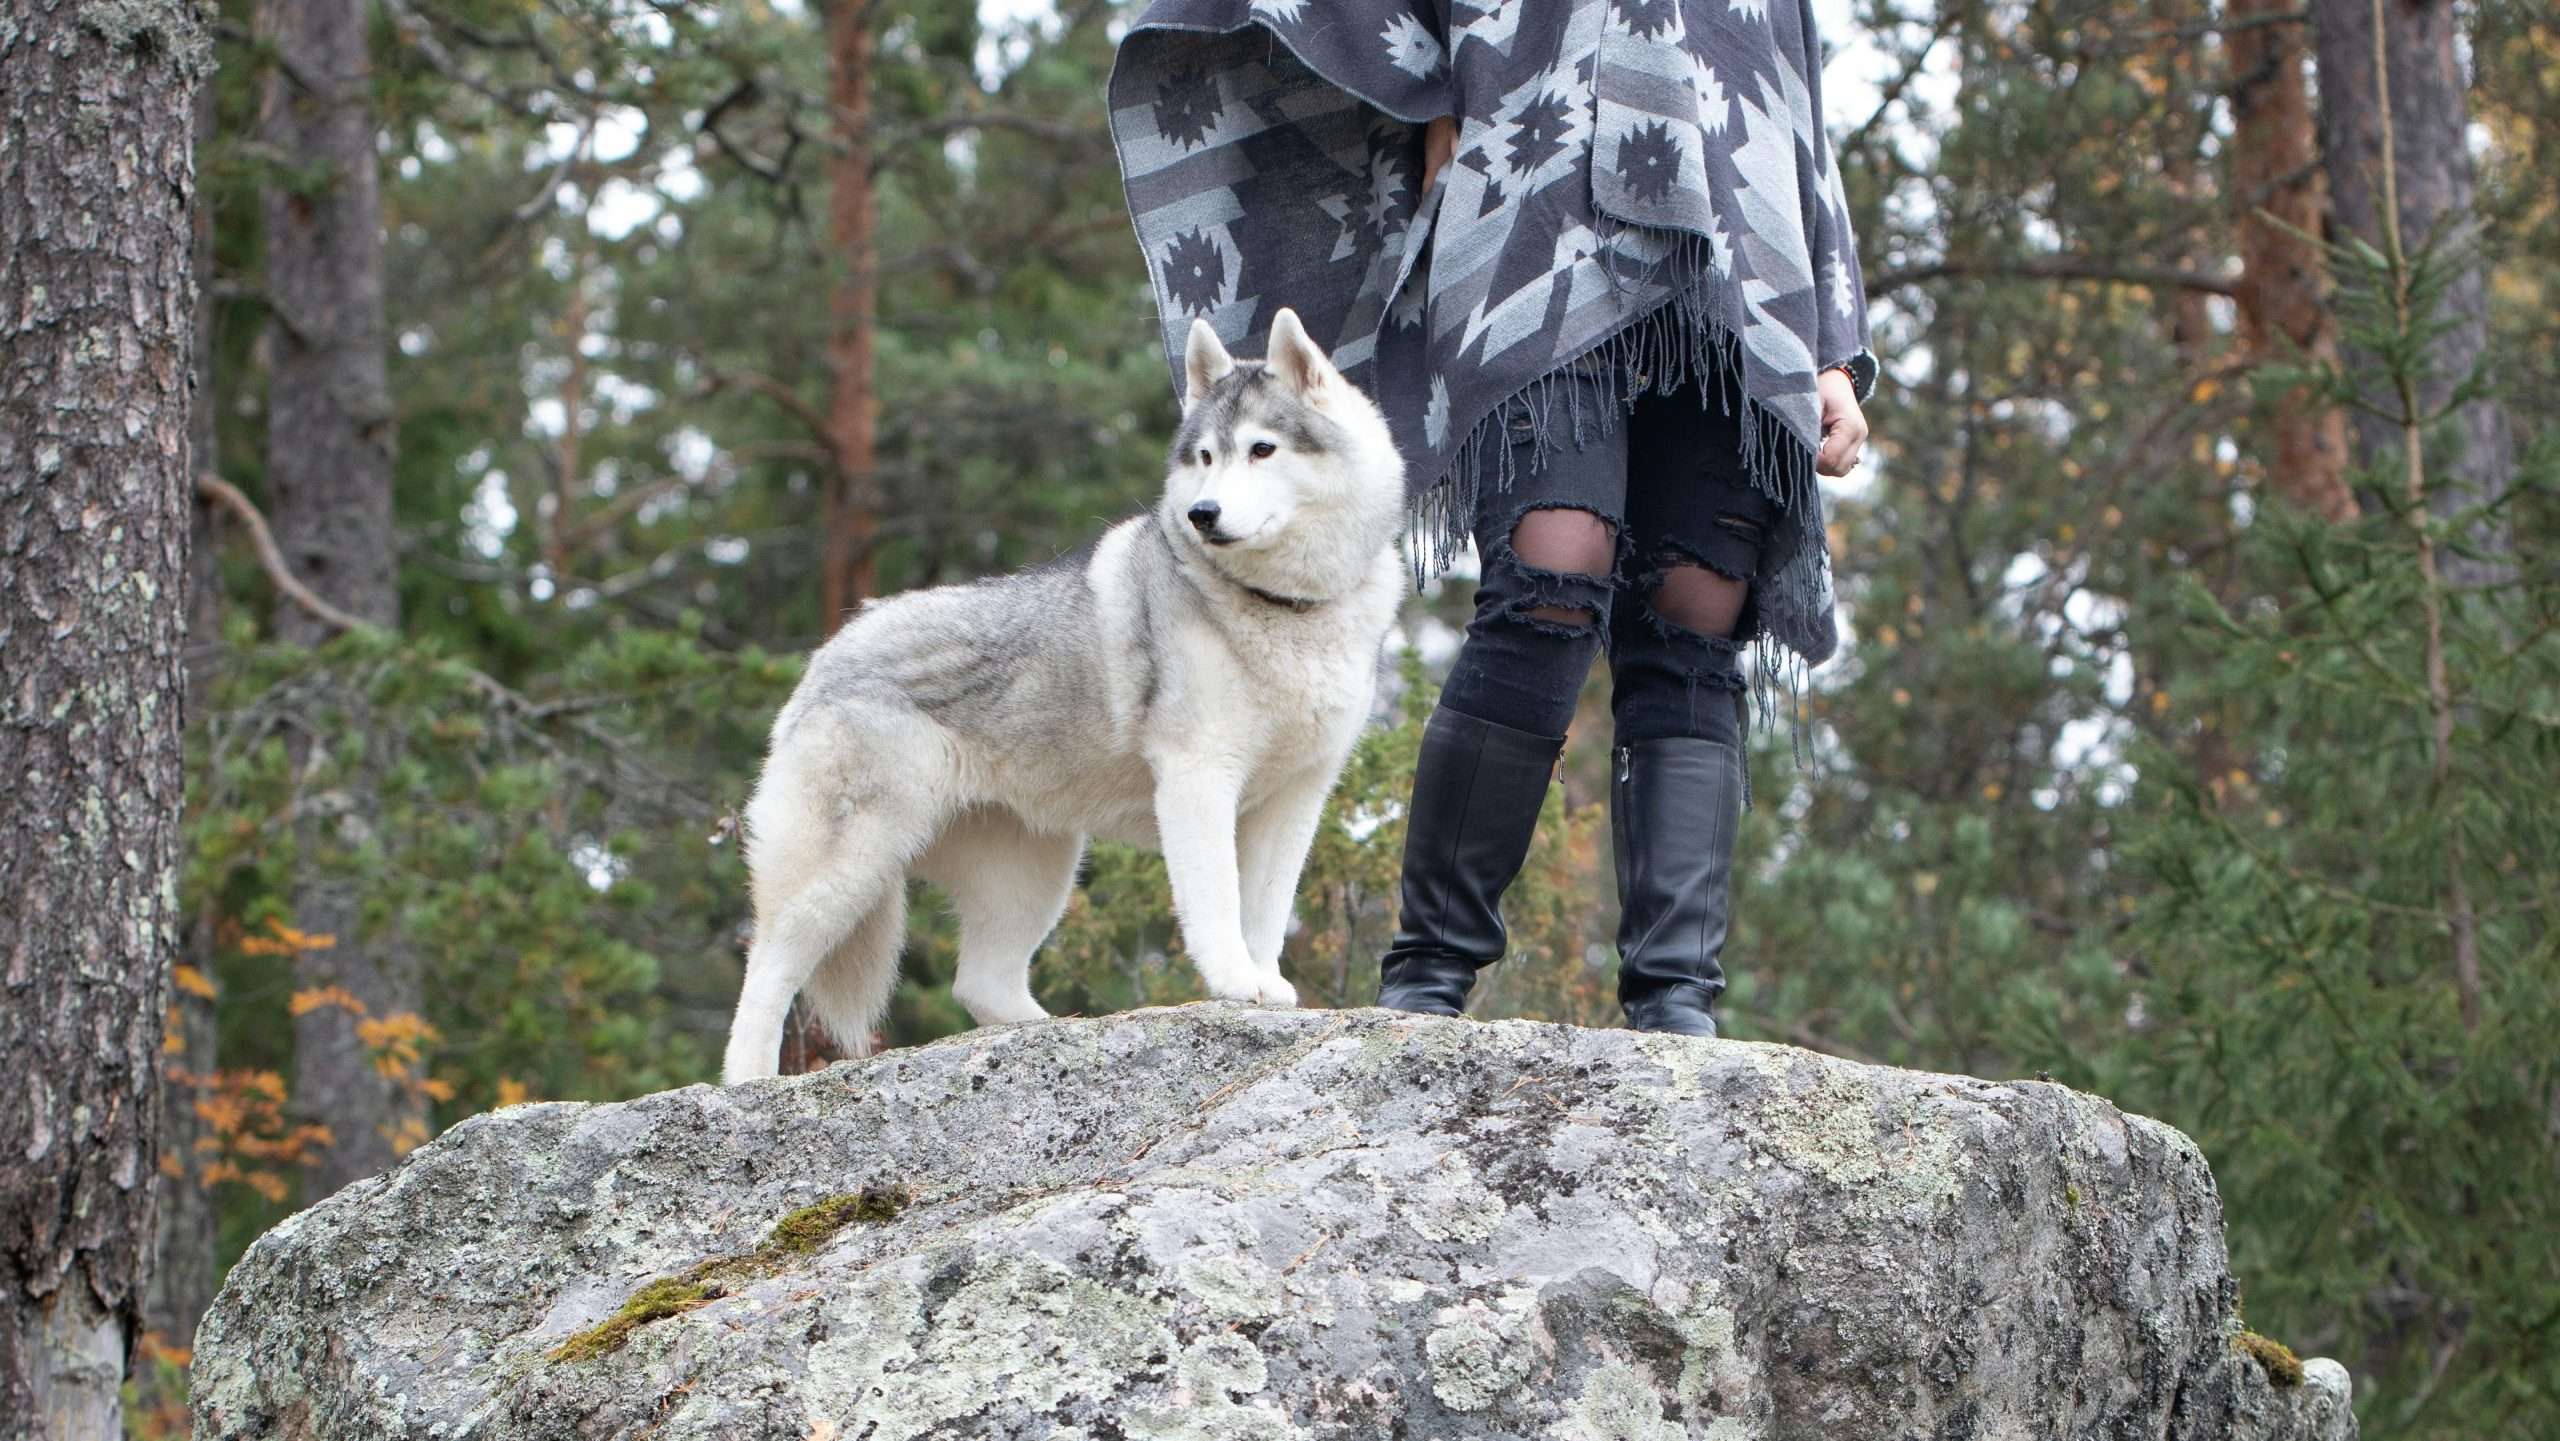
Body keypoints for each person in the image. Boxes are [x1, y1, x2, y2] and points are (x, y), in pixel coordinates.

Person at [1109, 0, 1877, 1036]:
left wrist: (1829, 343)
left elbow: (1794, 84)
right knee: (1553, 569)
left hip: (1741, 234)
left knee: (1700, 605)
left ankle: (1676, 1003)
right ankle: (1426, 978)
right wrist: (1431, 100)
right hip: (1530, 194)